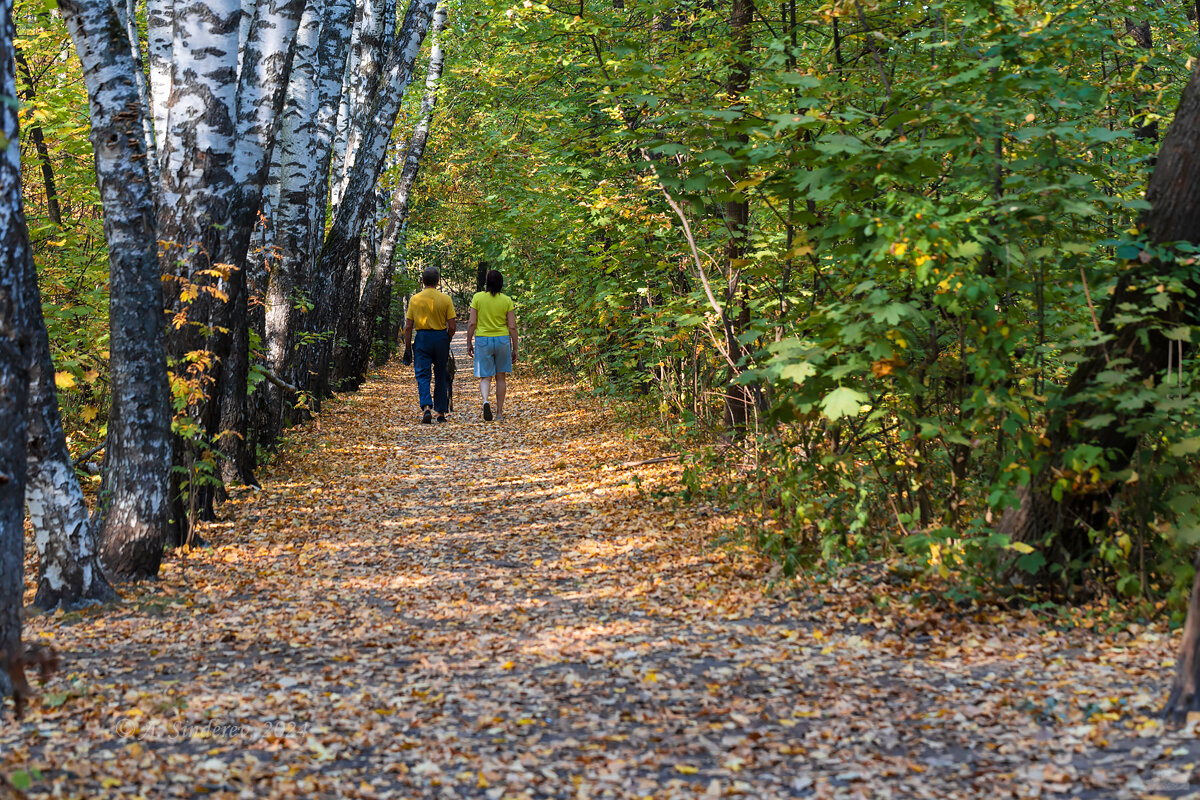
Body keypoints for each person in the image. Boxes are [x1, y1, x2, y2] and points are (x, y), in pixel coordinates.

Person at [402, 266, 456, 424]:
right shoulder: (445, 299)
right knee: (441, 375)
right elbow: (452, 326)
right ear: (438, 281)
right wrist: (447, 339)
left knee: (423, 375)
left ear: (422, 281)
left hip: (422, 339)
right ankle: (440, 412)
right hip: (440, 338)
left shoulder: (415, 299)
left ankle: (426, 407)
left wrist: (407, 347)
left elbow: (408, 327)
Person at [466, 268, 518, 421]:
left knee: (485, 377)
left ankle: (485, 401)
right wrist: (515, 348)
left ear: (487, 283)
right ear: (501, 283)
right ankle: (499, 413)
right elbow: (512, 326)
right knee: (500, 377)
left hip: (483, 339)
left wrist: (469, 342)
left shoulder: (478, 298)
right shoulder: (507, 300)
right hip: (502, 340)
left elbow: (472, 323)